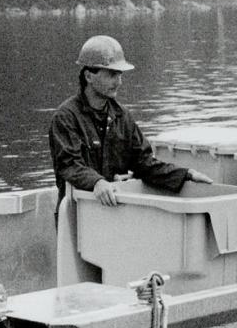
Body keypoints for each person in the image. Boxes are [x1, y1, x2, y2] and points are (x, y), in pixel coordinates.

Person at [48, 35, 213, 208]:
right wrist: (97, 182)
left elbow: (145, 163)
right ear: (89, 76)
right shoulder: (66, 118)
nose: (119, 82)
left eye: (120, 75)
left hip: (115, 212)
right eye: (112, 75)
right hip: (78, 214)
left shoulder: (122, 116)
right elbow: (70, 165)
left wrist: (185, 174)